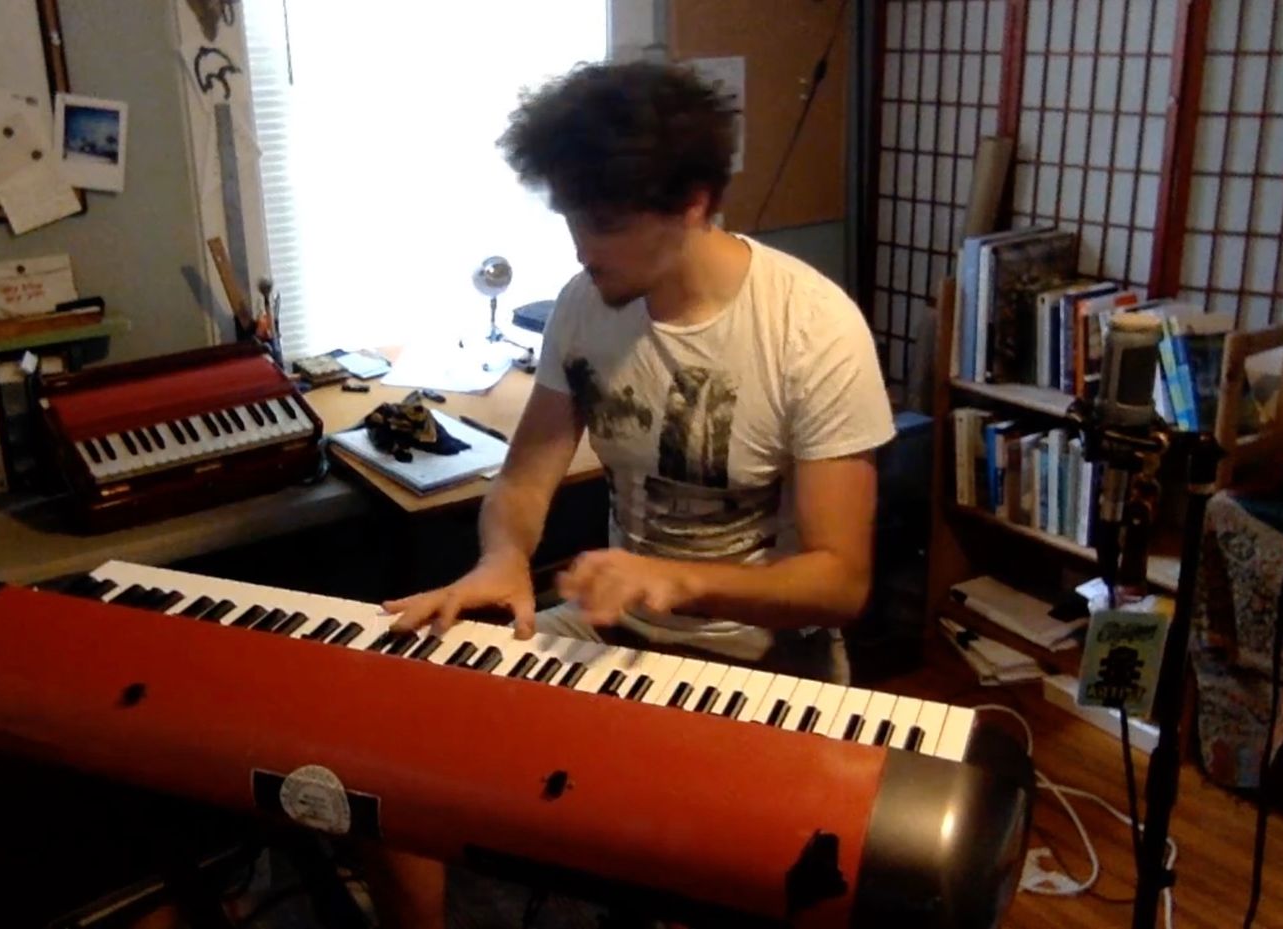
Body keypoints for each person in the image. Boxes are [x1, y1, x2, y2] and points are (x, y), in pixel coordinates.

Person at [364, 59, 897, 928]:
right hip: (615, 631)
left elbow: (840, 584)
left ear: (693, 201)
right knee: (384, 756)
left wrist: (680, 579)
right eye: (571, 215)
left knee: (707, 862)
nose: (580, 245)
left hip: (763, 659)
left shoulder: (812, 328)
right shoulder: (584, 305)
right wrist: (503, 557)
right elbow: (525, 477)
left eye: (605, 221)